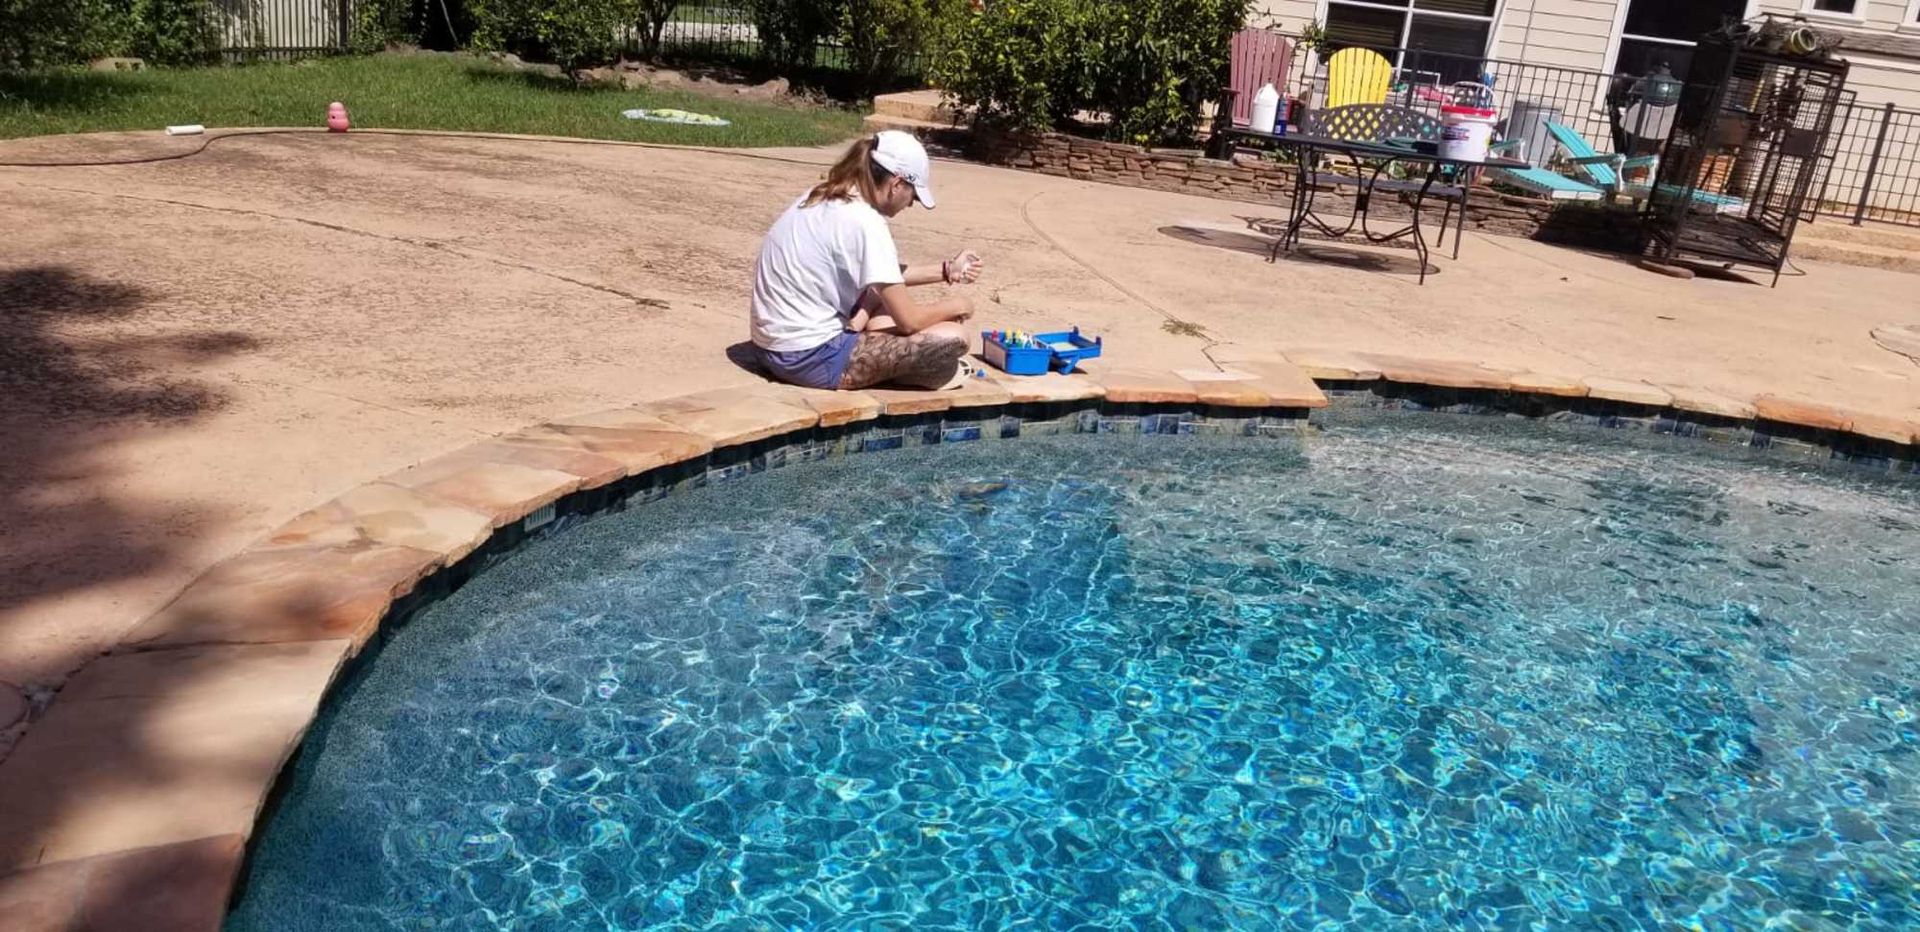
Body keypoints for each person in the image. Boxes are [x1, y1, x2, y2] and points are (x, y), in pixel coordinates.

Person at [749, 131, 985, 391]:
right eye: (914, 196)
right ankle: (908, 373)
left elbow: (881, 273)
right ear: (896, 184)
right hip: (808, 358)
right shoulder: (866, 222)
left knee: (880, 305)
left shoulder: (826, 195)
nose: (910, 205)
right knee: (954, 337)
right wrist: (958, 305)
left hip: (770, 347)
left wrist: (948, 270)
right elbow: (910, 321)